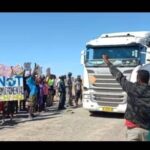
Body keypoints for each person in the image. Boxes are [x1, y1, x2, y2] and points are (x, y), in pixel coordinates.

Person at [102, 54, 150, 141]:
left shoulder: (131, 87)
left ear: (138, 79)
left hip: (133, 130)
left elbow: (119, 76)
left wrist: (107, 62)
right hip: (147, 131)